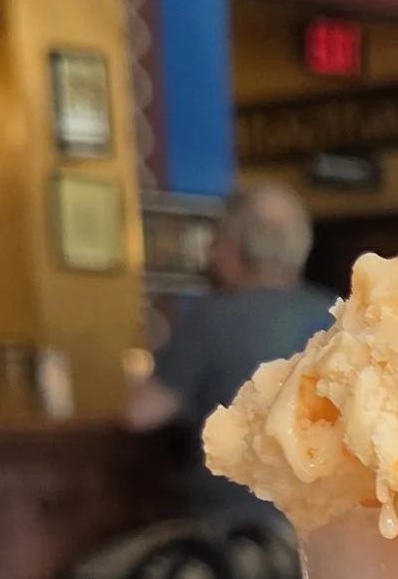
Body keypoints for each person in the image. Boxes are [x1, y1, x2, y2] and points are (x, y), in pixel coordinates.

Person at [125, 179, 335, 457]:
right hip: (324, 498)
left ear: (235, 245)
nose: (210, 253)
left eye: (216, 240)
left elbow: (140, 414)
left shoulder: (211, 318)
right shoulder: (337, 313)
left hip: (234, 497)